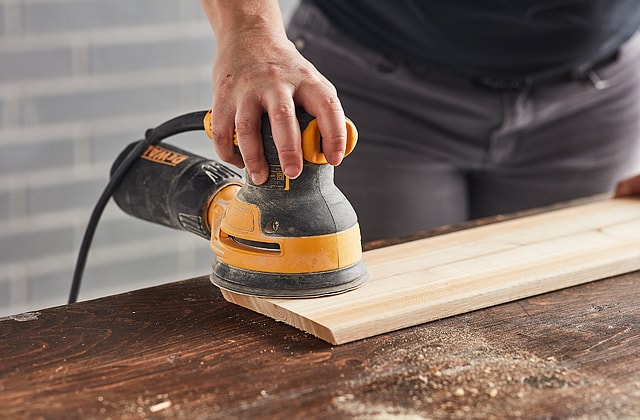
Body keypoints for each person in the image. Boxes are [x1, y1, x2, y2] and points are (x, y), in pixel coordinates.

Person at [200, 0, 640, 242]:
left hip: (594, 99)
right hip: (372, 88)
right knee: (375, 336)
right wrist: (248, 29)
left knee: (555, 323)